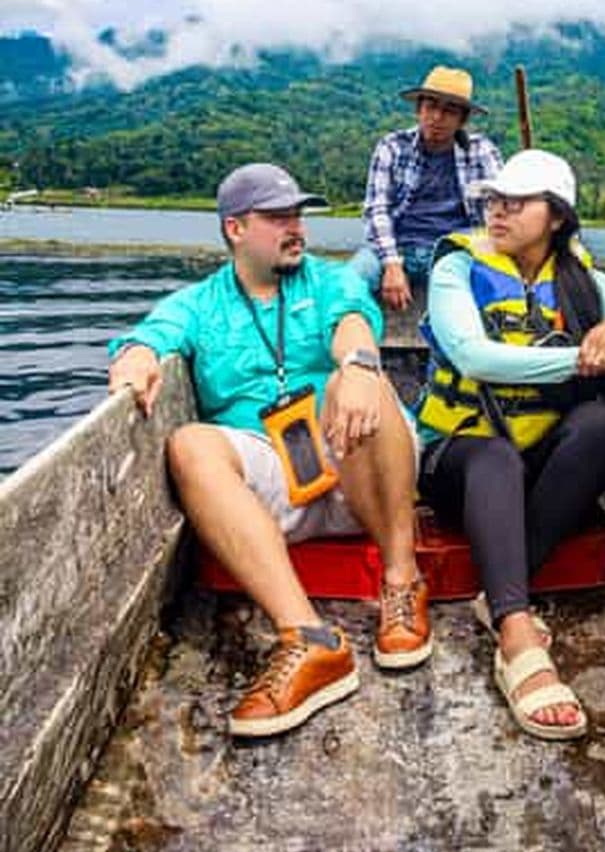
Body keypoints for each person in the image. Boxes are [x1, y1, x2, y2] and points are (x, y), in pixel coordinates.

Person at [108, 162, 432, 739]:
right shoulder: (200, 303)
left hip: (359, 466)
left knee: (356, 382)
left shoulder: (327, 280)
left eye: (298, 216)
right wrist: (136, 355)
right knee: (189, 444)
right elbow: (151, 335)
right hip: (275, 482)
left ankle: (402, 581)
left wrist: (358, 363)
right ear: (236, 228)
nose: (296, 229)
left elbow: (354, 321)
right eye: (278, 217)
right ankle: (309, 639)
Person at [415, 149, 605, 741]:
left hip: (536, 474)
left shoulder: (587, 280)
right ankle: (515, 629)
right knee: (495, 455)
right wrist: (585, 356)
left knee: (599, 424)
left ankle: (502, 588)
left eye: (515, 202)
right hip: (456, 459)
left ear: (556, 217)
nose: (497, 212)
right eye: (493, 201)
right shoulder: (457, 266)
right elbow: (474, 355)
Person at [351, 65, 502, 310]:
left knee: (467, 302)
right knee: (347, 284)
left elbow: (499, 211)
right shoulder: (392, 146)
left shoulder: (481, 150)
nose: (437, 118)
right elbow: (377, 211)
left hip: (454, 251)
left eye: (449, 111)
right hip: (397, 246)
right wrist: (392, 265)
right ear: (419, 109)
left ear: (462, 119)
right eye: (431, 107)